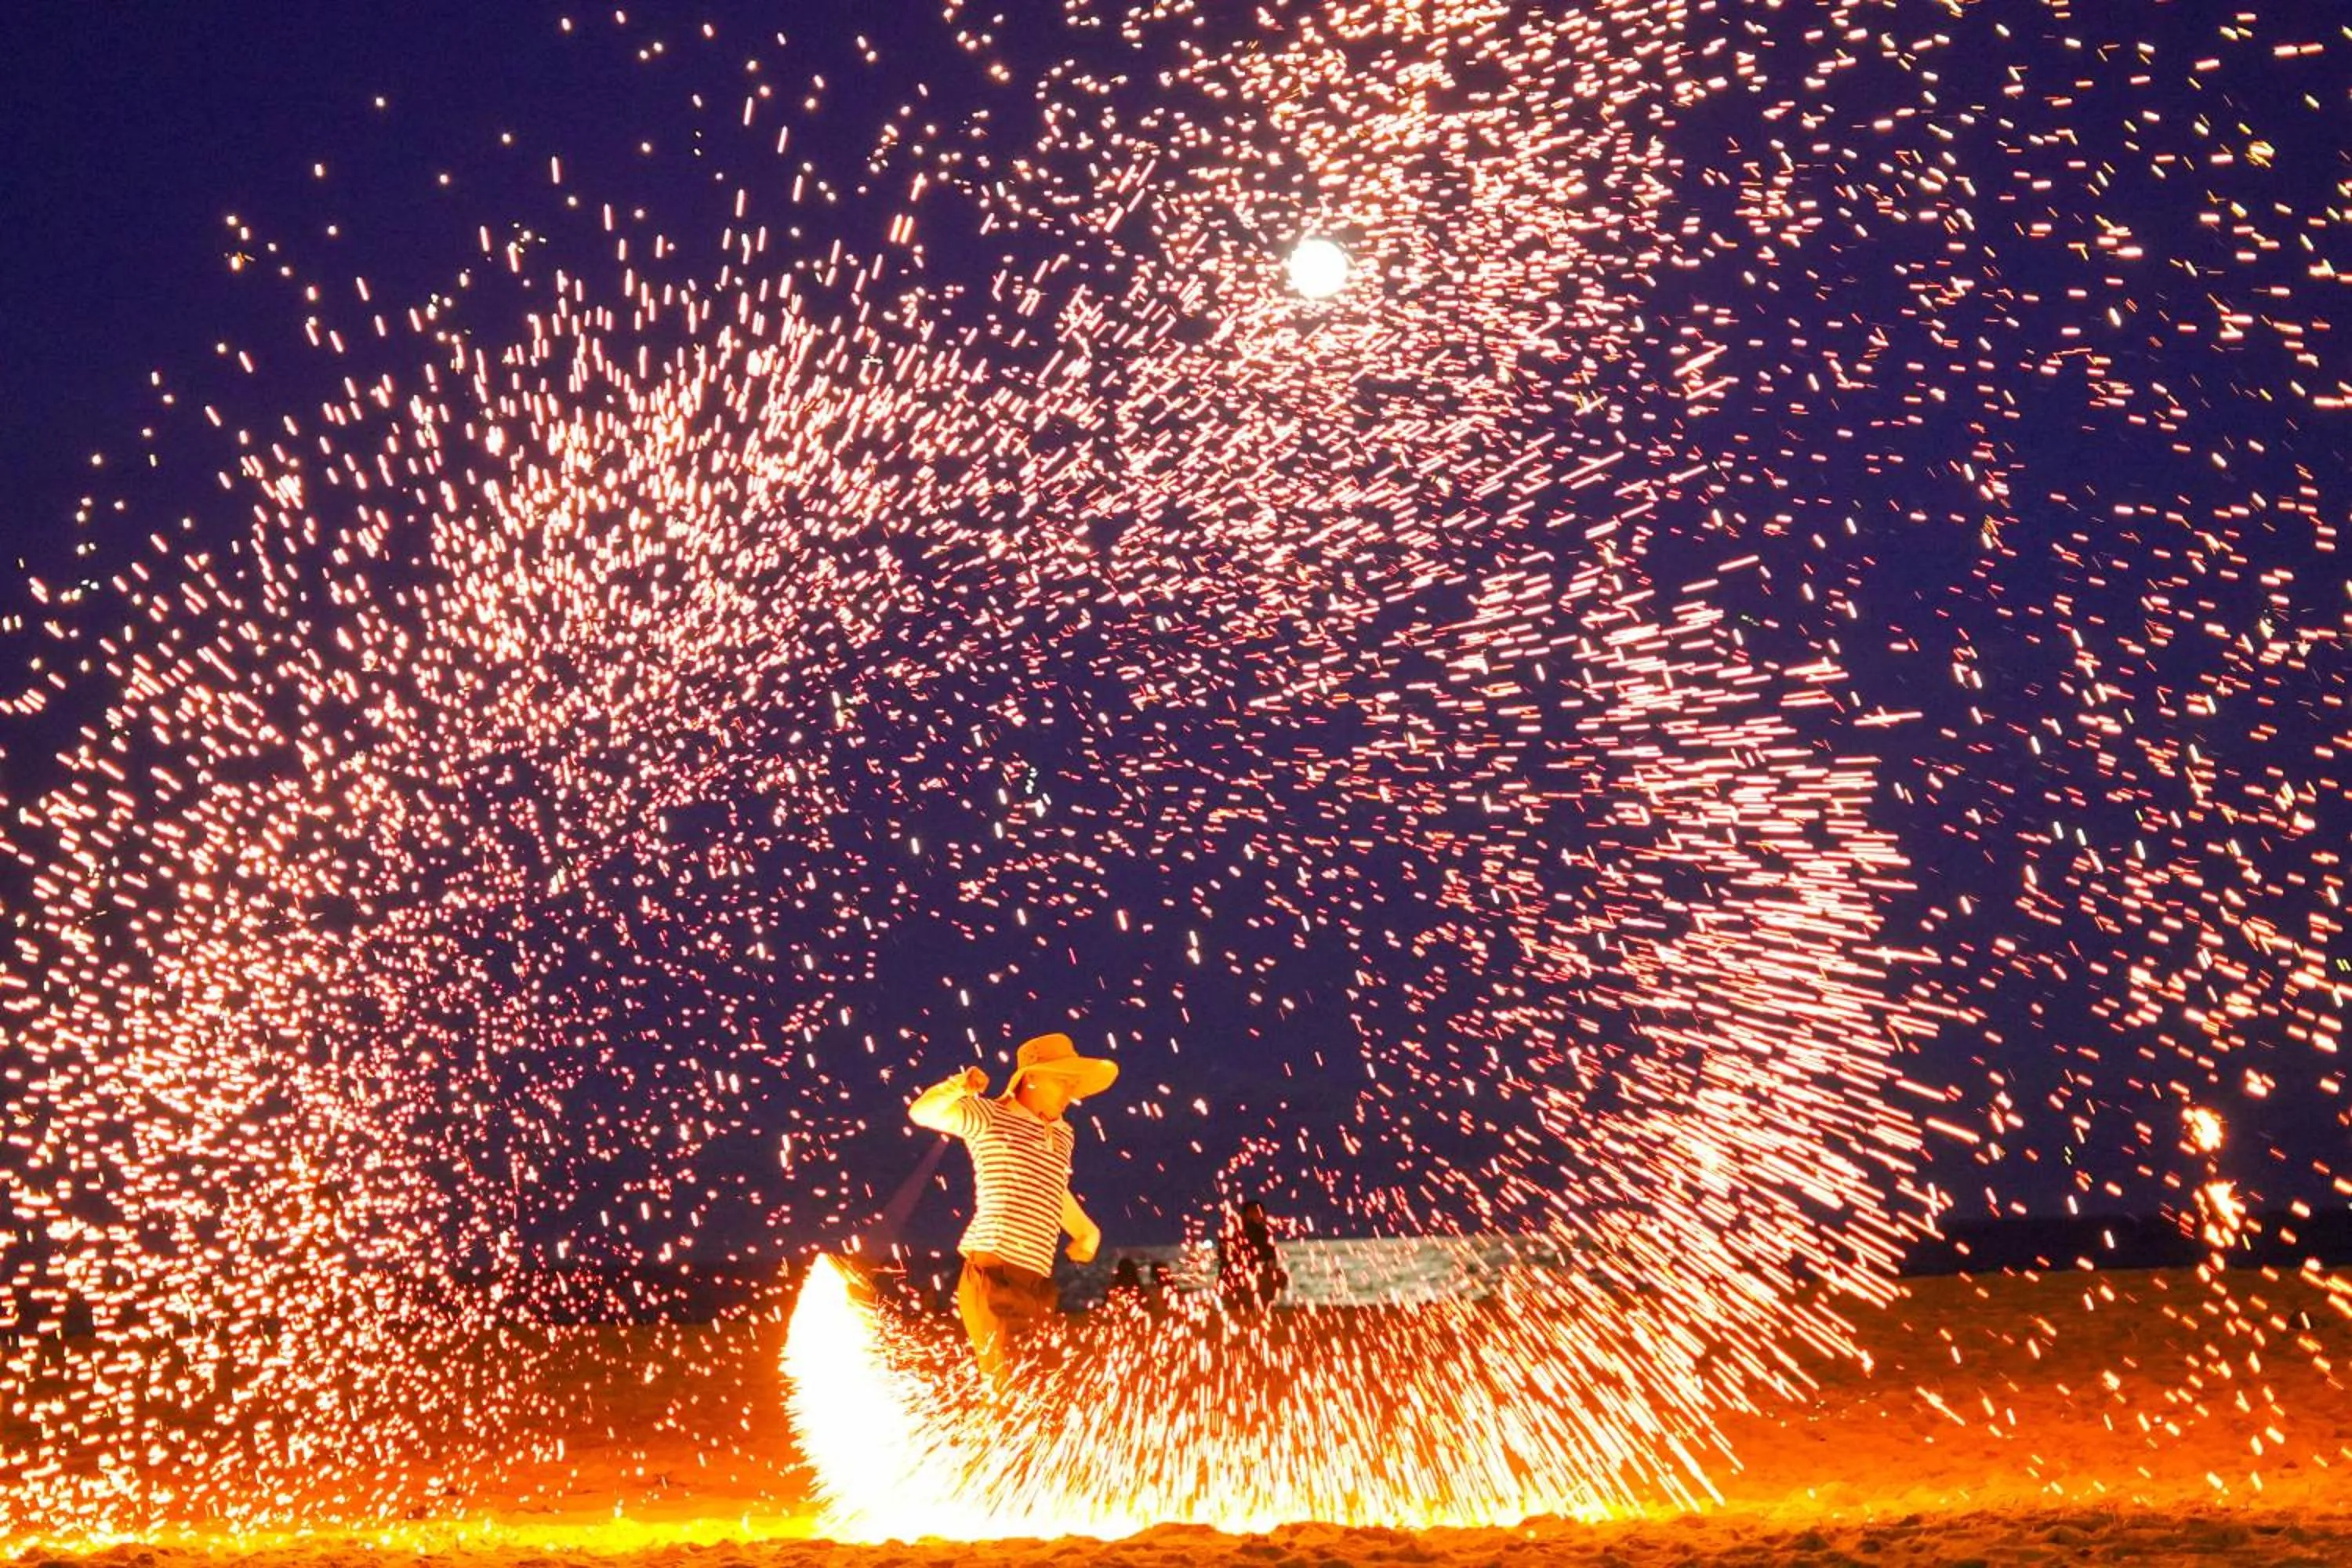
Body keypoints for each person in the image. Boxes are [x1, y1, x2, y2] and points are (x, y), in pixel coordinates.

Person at [907, 1030, 1118, 1379]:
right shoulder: (990, 1116)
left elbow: (1052, 1187)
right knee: (1015, 1391)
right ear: (1031, 1078)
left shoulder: (1064, 1132)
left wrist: (1086, 1232)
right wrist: (959, 1086)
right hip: (995, 1272)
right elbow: (922, 1113)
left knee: (1037, 1389)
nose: (1070, 1092)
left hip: (1037, 1279)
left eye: (1072, 1083)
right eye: (1062, 1080)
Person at [1218, 1197, 1287, 1313]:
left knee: (1272, 1275)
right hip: (1243, 1291)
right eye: (1257, 1213)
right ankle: (1256, 1305)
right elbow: (1271, 1263)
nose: (1261, 1217)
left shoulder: (1230, 1231)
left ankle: (1250, 1303)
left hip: (1228, 1291)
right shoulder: (1260, 1234)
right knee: (1279, 1276)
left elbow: (1224, 1260)